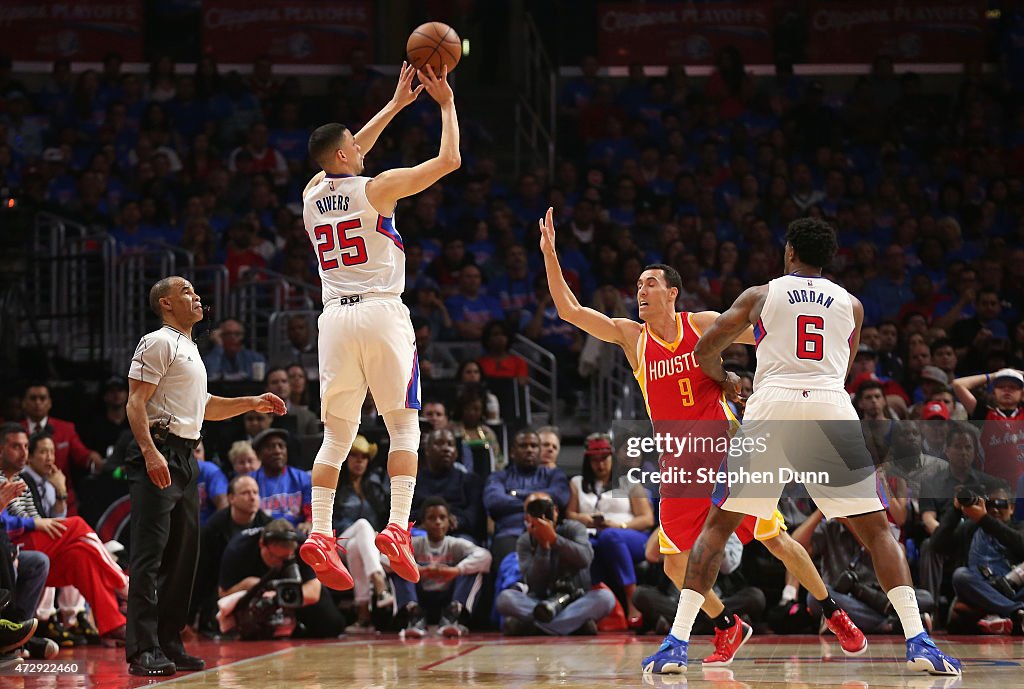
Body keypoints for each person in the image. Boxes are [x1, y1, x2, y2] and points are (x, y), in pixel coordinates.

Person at [539, 209, 865, 668]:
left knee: (775, 539)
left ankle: (833, 611)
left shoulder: (702, 323)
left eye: (649, 284)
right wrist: (551, 254)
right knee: (673, 563)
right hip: (676, 462)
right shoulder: (632, 338)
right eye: (637, 287)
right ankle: (727, 623)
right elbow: (570, 312)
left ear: (672, 292)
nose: (640, 292)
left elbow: (774, 334)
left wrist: (756, 375)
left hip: (725, 451)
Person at [674, 218, 960, 676]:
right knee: (878, 532)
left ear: (789, 252)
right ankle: (919, 639)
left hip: (772, 405)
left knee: (718, 526)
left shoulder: (761, 295)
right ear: (828, 259)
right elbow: (843, 367)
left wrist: (726, 379)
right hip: (830, 404)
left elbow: (705, 350)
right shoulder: (853, 304)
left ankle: (676, 644)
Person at [297, 62, 461, 592]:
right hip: (381, 311)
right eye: (354, 147)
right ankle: (396, 526)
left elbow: (344, 155)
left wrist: (393, 106)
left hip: (334, 320)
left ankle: (320, 532)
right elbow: (450, 160)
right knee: (404, 426)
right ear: (346, 155)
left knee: (337, 436)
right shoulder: (379, 189)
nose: (362, 149)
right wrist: (444, 104)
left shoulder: (311, 194)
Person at [124, 276, 285, 676]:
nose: (197, 296)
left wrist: (252, 402)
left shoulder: (191, 348)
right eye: (186, 292)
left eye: (196, 291)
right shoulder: (157, 341)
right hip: (159, 450)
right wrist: (149, 452)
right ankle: (143, 649)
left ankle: (170, 641)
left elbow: (204, 407)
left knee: (182, 557)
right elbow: (135, 402)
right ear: (165, 303)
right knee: (149, 555)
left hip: (184, 456)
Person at [494, 492, 616, 635]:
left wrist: (554, 540)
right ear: (526, 516)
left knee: (606, 598)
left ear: (556, 511)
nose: (541, 514)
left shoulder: (574, 528)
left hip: (576, 599)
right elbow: (534, 582)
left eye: (545, 508)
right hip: (540, 601)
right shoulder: (525, 540)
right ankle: (572, 625)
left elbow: (585, 559)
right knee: (505, 599)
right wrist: (543, 547)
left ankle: (535, 627)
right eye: (534, 510)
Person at [566, 433, 654, 625]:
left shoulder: (628, 481)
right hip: (595, 535)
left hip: (632, 537)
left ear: (612, 457)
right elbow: (569, 515)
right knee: (588, 546)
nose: (600, 464)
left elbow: (647, 519)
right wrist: (585, 519)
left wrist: (620, 525)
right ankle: (600, 610)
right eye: (594, 459)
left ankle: (632, 600)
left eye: (604, 458)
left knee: (610, 536)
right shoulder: (577, 483)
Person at [218, 519, 345, 639]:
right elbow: (223, 593)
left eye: (286, 559)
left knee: (333, 624)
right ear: (262, 544)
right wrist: (247, 586)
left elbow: (314, 592)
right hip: (252, 595)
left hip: (290, 592)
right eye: (275, 557)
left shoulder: (305, 546)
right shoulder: (238, 548)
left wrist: (277, 596)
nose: (280, 564)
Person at [396, 497, 492, 638]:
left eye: (442, 517)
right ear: (423, 523)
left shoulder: (455, 544)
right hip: (422, 598)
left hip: (447, 598)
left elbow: (485, 556)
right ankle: (415, 617)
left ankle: (452, 616)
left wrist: (456, 570)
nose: (438, 522)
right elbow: (386, 558)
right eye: (432, 518)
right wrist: (419, 570)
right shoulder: (414, 543)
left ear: (449, 521)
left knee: (472, 569)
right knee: (399, 567)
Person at [933, 485, 1024, 634]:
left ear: (1012, 508)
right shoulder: (971, 528)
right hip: (980, 589)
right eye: (990, 505)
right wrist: (956, 510)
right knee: (960, 575)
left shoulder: (1019, 527)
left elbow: (1021, 545)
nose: (994, 509)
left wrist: (985, 519)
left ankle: (998, 615)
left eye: (1000, 504)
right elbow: (937, 545)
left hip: (1012, 588)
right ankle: (1016, 612)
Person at [330, 435, 393, 632]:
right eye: (354, 456)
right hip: (338, 542)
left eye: (364, 457)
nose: (359, 461)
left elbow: (384, 517)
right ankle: (379, 582)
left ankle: (363, 615)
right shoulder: (335, 486)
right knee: (363, 525)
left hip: (366, 544)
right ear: (345, 459)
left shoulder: (373, 488)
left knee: (359, 544)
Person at [952, 368, 1024, 489]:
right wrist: (993, 376)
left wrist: (1021, 374)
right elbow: (958, 384)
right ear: (993, 391)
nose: (1007, 390)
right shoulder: (984, 414)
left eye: (1012, 387)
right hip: (993, 489)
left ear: (1022, 393)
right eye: (1001, 386)